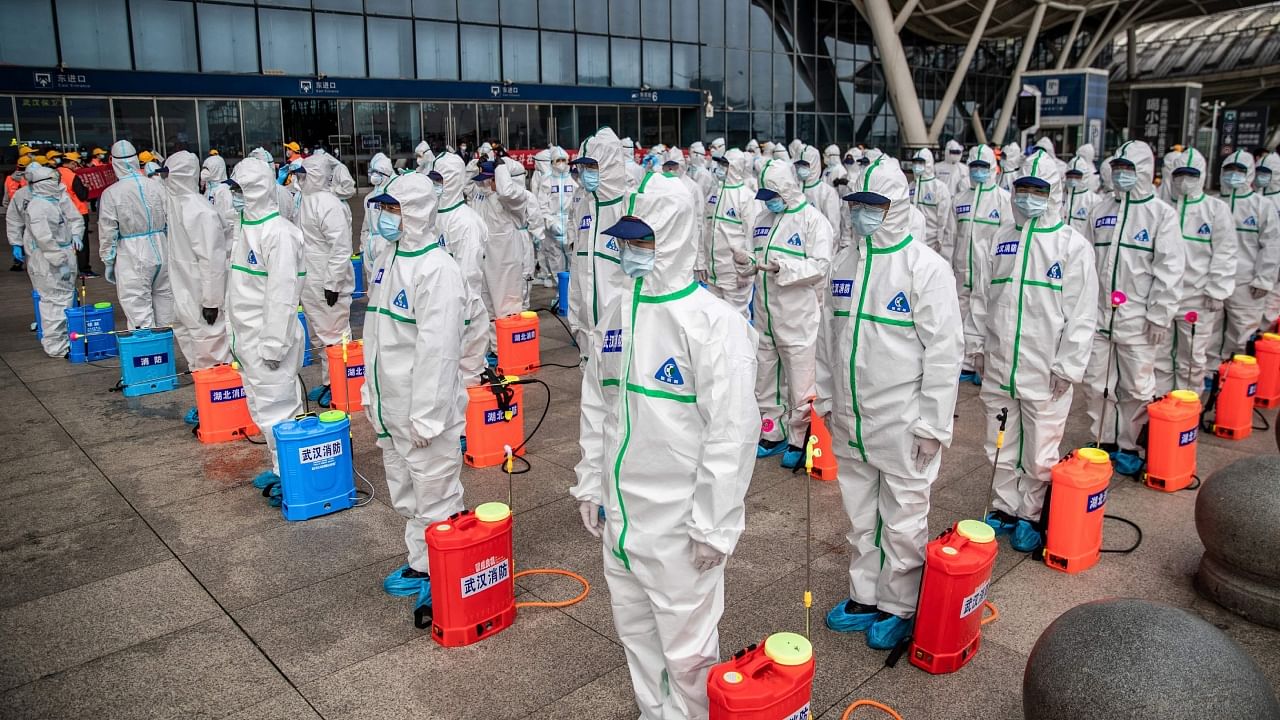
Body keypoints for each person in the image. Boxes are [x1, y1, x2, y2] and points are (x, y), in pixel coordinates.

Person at [572, 173, 758, 720]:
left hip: (680, 524)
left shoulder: (714, 325)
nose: (631, 252)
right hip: (622, 518)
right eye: (626, 241)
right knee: (636, 635)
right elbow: (596, 403)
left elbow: (733, 435)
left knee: (688, 651)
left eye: (643, 239)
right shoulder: (618, 312)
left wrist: (713, 524)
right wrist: (590, 479)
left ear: (676, 235)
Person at [818, 154, 963, 650]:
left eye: (874, 205)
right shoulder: (844, 263)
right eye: (858, 205)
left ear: (897, 206)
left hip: (903, 421)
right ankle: (865, 594)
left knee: (902, 518)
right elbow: (827, 340)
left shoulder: (926, 269)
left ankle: (900, 603)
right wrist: (823, 398)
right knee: (861, 515)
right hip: (851, 418)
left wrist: (932, 425)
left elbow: (945, 353)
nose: (863, 214)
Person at [966, 151, 1098, 553]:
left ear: (1053, 193)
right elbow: (982, 298)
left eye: (1037, 191)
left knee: (1040, 446)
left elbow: (1082, 313)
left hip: (1045, 367)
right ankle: (1005, 506)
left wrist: (1068, 365)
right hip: (1001, 362)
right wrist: (978, 346)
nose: (1027, 198)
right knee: (1000, 440)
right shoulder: (1001, 238)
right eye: (1022, 189)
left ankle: (1030, 513)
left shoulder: (1071, 245)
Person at [361, 173, 468, 610]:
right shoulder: (389, 257)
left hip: (424, 411)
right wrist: (372, 394)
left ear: (418, 212)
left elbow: (438, 350)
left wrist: (426, 413)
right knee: (406, 489)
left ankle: (447, 576)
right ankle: (422, 564)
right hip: (391, 403)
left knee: (435, 491)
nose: (386, 217)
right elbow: (374, 330)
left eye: (394, 209)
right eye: (384, 208)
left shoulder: (437, 270)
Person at [1081, 141, 1184, 475]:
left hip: (1138, 319)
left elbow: (1168, 269)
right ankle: (1103, 439)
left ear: (1144, 171)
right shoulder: (1100, 209)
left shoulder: (1161, 215)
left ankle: (1130, 445)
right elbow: (1084, 261)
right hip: (1098, 316)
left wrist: (1160, 314)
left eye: (1129, 169)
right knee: (1097, 382)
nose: (1122, 175)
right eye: (1118, 168)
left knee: (1137, 387)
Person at [747, 158, 834, 468]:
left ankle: (799, 438)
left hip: (798, 317)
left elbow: (822, 266)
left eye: (774, 194)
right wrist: (746, 264)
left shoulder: (813, 221)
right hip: (765, 313)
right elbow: (753, 255)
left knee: (801, 381)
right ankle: (772, 431)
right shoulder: (762, 218)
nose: (769, 201)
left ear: (787, 190)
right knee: (765, 376)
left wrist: (784, 267)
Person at [225, 157, 306, 490]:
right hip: (247, 337)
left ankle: (290, 476)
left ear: (256, 191)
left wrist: (273, 342)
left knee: (278, 410)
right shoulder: (245, 229)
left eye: (239, 190)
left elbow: (283, 296)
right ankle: (279, 469)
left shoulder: (279, 234)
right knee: (262, 405)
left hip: (270, 339)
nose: (234, 196)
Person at [1153, 148, 1236, 396]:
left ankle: (1188, 409)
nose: (1184, 180)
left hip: (1197, 297)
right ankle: (1162, 405)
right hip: (1165, 297)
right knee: (1160, 356)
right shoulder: (1162, 208)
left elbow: (1225, 252)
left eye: (1191, 174)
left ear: (1201, 175)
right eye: (1180, 174)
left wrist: (1217, 290)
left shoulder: (1215, 210)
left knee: (1192, 357)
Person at [160, 151, 232, 425]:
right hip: (184, 291)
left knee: (210, 351)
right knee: (194, 350)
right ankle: (206, 401)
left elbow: (212, 259)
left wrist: (211, 300)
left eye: (168, 174)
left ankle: (219, 407)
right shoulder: (177, 203)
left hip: (201, 294)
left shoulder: (199, 210)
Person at [296, 155, 355, 403]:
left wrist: (333, 283)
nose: (300, 178)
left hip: (327, 280)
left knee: (335, 333)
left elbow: (341, 247)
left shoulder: (329, 204)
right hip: (311, 279)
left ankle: (343, 384)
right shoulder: (306, 200)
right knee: (320, 336)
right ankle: (329, 381)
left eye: (304, 174)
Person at [98, 139, 174, 330]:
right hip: (162, 248)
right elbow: (170, 219)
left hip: (132, 254)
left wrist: (108, 259)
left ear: (112, 161)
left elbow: (108, 231)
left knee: (138, 308)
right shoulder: (156, 185)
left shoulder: (111, 194)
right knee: (165, 303)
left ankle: (148, 351)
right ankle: (165, 349)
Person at [952, 145, 1011, 384]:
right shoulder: (961, 199)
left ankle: (984, 362)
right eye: (974, 166)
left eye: (983, 167)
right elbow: (951, 235)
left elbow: (1007, 237)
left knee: (987, 314)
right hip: (962, 269)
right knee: (960, 314)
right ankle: (965, 361)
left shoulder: (1003, 200)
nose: (978, 171)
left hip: (989, 272)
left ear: (993, 168)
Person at [568, 127, 629, 354]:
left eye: (592, 166)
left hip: (618, 328)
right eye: (584, 167)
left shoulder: (628, 206)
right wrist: (574, 316)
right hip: (587, 326)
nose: (585, 173)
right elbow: (577, 266)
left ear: (610, 164)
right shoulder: (584, 204)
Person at [431, 154, 490, 383]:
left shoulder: (466, 222)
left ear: (453, 180)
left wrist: (460, 319)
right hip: (440, 310)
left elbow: (469, 280)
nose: (435, 186)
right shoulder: (434, 216)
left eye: (440, 180)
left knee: (467, 379)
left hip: (463, 314)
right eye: (433, 180)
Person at [1217, 150, 1280, 363]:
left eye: (1239, 171)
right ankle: (1213, 379)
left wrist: (1264, 279)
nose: (1233, 175)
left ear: (1249, 173)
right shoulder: (1214, 203)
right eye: (1229, 170)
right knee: (1211, 336)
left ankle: (1238, 383)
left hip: (1246, 282)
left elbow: (1271, 245)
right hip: (1214, 282)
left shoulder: (1262, 206)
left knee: (1241, 336)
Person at [20, 163, 85, 358]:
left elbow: (75, 219)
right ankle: (56, 347)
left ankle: (66, 341)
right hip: (49, 262)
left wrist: (76, 234)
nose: (57, 182)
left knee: (64, 302)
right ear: (42, 183)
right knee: (53, 305)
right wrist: (59, 261)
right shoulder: (38, 207)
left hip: (63, 255)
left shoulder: (54, 200)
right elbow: (45, 240)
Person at [473, 157, 529, 353]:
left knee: (506, 307)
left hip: (505, 261)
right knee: (486, 307)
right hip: (486, 259)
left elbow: (507, 191)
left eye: (491, 179)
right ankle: (495, 349)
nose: (486, 184)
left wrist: (502, 170)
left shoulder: (514, 197)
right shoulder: (481, 195)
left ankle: (509, 351)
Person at [698, 149, 757, 319]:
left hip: (735, 275)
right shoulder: (714, 194)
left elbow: (753, 238)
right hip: (713, 273)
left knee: (737, 320)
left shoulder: (746, 198)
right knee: (715, 320)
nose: (719, 168)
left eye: (724, 165)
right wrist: (701, 261)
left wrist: (747, 270)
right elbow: (705, 229)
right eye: (719, 164)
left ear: (735, 168)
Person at [536, 146, 575, 286]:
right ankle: (561, 295)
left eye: (564, 160)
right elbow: (542, 206)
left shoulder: (573, 179)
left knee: (574, 262)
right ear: (552, 162)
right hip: (553, 231)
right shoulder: (546, 180)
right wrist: (550, 223)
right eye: (558, 160)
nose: (561, 163)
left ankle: (573, 296)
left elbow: (578, 203)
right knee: (556, 262)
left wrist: (573, 225)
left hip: (570, 230)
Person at [908, 148, 955, 256]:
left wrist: (940, 239)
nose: (917, 165)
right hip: (912, 237)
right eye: (915, 162)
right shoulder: (911, 186)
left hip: (932, 240)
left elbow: (944, 217)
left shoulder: (939, 188)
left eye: (921, 162)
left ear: (928, 163)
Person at [359, 152, 396, 288]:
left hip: (387, 244)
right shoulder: (368, 198)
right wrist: (364, 246)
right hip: (371, 246)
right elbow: (365, 226)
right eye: (372, 171)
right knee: (372, 285)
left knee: (387, 285)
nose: (373, 175)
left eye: (377, 172)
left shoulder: (395, 196)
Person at [795, 144, 842, 238]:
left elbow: (833, 228)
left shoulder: (827, 192)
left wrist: (828, 251)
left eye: (805, 165)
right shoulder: (794, 189)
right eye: (798, 164)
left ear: (814, 164)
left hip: (818, 244)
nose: (801, 168)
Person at [1062, 157, 1102, 236]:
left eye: (1077, 176)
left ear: (1085, 176)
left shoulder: (1094, 200)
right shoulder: (1059, 197)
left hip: (1083, 246)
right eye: (1070, 175)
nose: (1073, 179)